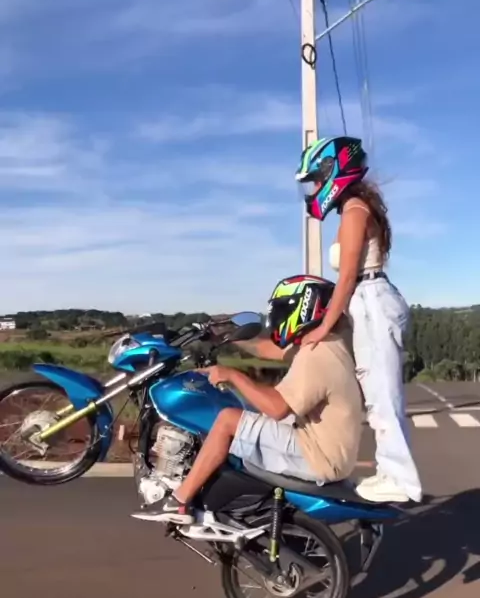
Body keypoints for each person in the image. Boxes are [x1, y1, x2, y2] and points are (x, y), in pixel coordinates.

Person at [133, 275, 363, 524]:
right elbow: (269, 350)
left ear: (304, 306)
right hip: (327, 448)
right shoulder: (328, 343)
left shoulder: (317, 354)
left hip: (319, 456)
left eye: (283, 309)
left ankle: (179, 502)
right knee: (249, 413)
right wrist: (226, 336)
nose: (278, 318)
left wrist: (232, 375)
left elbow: (277, 408)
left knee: (228, 420)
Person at [295, 136, 422, 504]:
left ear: (334, 172)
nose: (315, 188)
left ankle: (400, 479)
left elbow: (348, 276)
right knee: (376, 392)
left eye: (317, 179)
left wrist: (324, 326)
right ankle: (390, 471)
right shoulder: (356, 208)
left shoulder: (354, 212)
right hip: (368, 301)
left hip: (370, 299)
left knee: (382, 393)